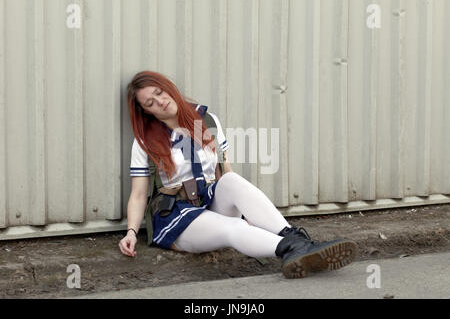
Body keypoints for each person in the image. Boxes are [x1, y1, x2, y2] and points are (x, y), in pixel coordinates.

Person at [119, 70, 356, 279]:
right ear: (145, 111)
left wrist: (247, 213)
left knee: (231, 181)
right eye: (150, 102)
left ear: (169, 88)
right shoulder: (145, 141)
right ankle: (292, 249)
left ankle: (298, 241)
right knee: (233, 227)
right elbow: (139, 195)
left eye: (160, 92)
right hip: (176, 217)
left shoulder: (207, 119)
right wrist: (131, 231)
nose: (159, 102)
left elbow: (226, 173)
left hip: (209, 201)